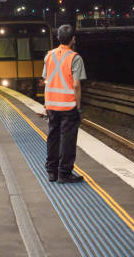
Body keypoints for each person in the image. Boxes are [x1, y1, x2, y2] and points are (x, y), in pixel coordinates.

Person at [42, 24, 87, 184]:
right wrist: (78, 106)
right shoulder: (75, 58)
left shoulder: (49, 56)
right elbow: (76, 85)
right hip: (68, 105)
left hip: (51, 105)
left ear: (58, 38)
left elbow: (46, 79)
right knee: (67, 139)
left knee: (53, 136)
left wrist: (46, 102)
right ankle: (64, 173)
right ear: (73, 39)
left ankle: (51, 171)